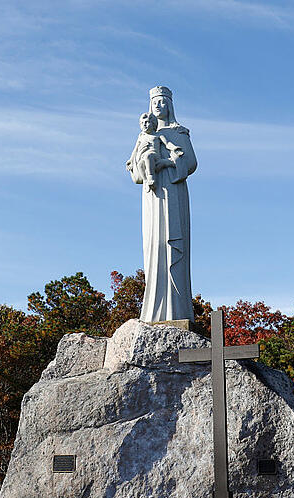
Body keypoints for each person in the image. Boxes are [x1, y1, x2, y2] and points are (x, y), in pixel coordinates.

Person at [126, 86, 198, 322]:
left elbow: (190, 163)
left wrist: (165, 163)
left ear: (170, 105)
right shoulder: (144, 136)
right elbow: (135, 173)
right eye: (154, 102)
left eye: (162, 101)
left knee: (173, 247)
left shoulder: (178, 132)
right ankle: (153, 311)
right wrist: (144, 165)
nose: (158, 106)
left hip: (174, 195)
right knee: (154, 247)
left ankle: (178, 311)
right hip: (152, 196)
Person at [126, 112, 183, 193]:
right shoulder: (141, 137)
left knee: (148, 156)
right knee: (140, 165)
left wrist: (174, 148)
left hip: (154, 155)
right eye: (142, 123)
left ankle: (151, 177)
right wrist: (130, 160)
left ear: (153, 124)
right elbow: (135, 150)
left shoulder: (158, 135)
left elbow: (167, 144)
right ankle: (147, 182)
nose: (144, 125)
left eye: (147, 122)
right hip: (144, 158)